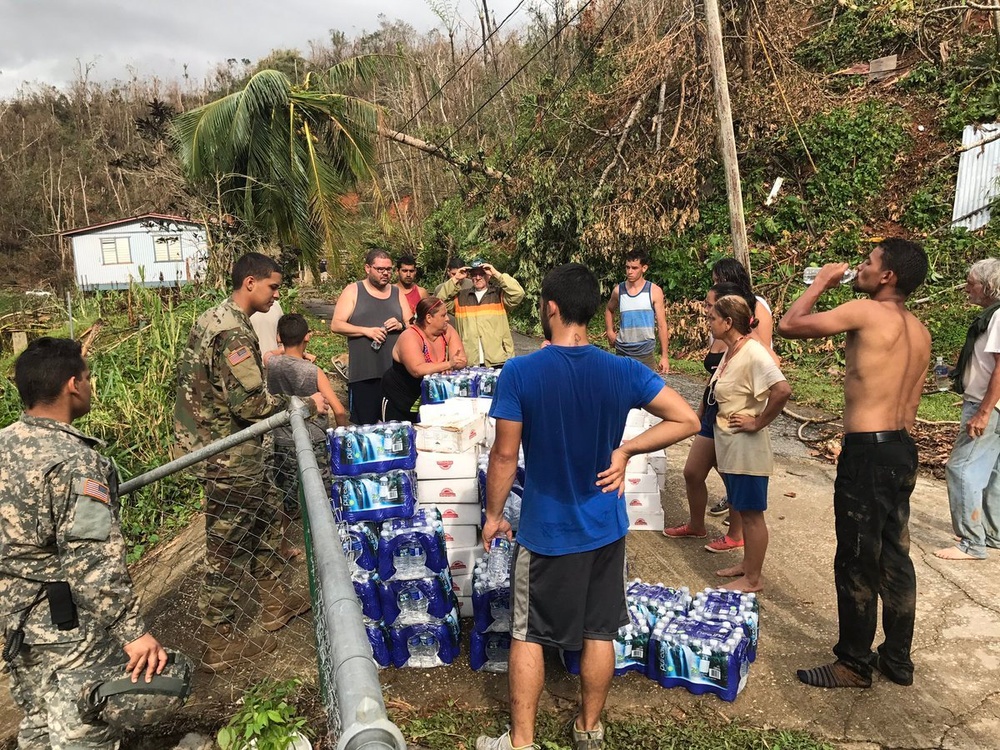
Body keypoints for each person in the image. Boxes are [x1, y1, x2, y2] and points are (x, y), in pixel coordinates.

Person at [477, 263, 700, 750]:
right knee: (600, 629)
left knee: (529, 634)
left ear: (550, 308)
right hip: (605, 525)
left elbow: (504, 455)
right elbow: (687, 419)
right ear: (595, 311)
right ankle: (588, 730)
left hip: (547, 529)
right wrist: (626, 450)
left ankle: (520, 743)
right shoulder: (620, 369)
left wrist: (493, 516)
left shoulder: (521, 372)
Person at [0, 338, 169, 749]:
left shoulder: (5, 443)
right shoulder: (75, 460)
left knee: (38, 721)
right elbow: (90, 558)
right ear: (73, 384)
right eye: (89, 378)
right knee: (82, 725)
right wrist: (132, 632)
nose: (91, 385)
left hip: (14, 615)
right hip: (66, 623)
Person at [778, 238, 930, 689]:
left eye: (869, 262)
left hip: (868, 452)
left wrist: (821, 281)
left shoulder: (865, 312)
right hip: (902, 449)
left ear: (888, 277)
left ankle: (853, 663)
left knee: (857, 559)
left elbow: (790, 325)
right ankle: (897, 660)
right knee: (896, 558)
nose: (860, 267)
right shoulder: (920, 330)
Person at [175, 252, 326, 672]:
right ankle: (218, 640)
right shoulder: (232, 333)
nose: (277, 296)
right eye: (273, 287)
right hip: (230, 455)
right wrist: (304, 404)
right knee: (225, 549)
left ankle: (275, 602)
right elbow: (251, 403)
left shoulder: (214, 318)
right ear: (250, 283)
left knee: (266, 522)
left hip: (237, 451)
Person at [701, 295, 790, 591]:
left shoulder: (753, 352)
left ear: (728, 323)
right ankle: (747, 566)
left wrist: (757, 421)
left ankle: (753, 579)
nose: (709, 322)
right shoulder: (731, 350)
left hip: (747, 448)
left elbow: (781, 390)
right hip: (731, 445)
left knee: (752, 515)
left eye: (713, 318)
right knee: (742, 506)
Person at [663, 281, 756, 542]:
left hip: (730, 418)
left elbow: (775, 380)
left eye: (709, 305)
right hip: (711, 412)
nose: (705, 310)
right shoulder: (719, 337)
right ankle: (696, 525)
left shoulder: (746, 342)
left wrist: (757, 418)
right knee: (692, 472)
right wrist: (701, 409)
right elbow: (715, 377)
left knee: (732, 476)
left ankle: (736, 534)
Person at [268, 313, 349, 561]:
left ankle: (282, 546)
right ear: (308, 337)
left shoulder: (272, 364)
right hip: (314, 440)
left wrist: (287, 349)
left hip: (283, 440)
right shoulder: (312, 371)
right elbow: (339, 409)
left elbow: (270, 354)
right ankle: (332, 550)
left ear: (279, 337)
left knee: (286, 498)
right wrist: (341, 436)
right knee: (323, 497)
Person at [703, 257, 775, 525]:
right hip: (718, 400)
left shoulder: (753, 314)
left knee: (751, 509)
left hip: (740, 404)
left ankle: (738, 525)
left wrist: (759, 420)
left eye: (718, 282)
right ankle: (735, 507)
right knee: (706, 467)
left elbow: (774, 374)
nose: (714, 288)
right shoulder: (722, 324)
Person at [936, 258, 1000, 560]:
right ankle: (991, 534)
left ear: (987, 287)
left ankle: (970, 542)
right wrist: (956, 371)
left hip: (988, 406)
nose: (966, 288)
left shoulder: (998, 316)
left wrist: (984, 411)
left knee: (961, 469)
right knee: (992, 474)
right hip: (990, 404)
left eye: (971, 282)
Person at [330, 248, 413, 424]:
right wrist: (366, 331)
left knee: (394, 426)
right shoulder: (353, 290)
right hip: (364, 374)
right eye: (380, 269)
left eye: (389, 269)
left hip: (394, 375)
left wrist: (400, 325)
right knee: (365, 427)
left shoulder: (397, 292)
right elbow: (336, 324)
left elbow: (411, 324)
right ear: (368, 268)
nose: (385, 273)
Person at [381, 297, 468, 422]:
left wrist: (453, 365)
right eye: (443, 315)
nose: (448, 319)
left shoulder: (447, 330)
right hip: (400, 400)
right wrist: (448, 364)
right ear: (428, 318)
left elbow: (461, 359)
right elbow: (417, 369)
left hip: (430, 399)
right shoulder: (410, 336)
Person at [438, 258, 524, 368]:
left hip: (499, 360)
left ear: (488, 275)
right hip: (469, 361)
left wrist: (496, 274)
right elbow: (439, 302)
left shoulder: (499, 295)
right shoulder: (461, 297)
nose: (478, 278)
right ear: (470, 276)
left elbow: (518, 293)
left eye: (482, 274)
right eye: (474, 274)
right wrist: (455, 279)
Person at [604, 249, 672, 374]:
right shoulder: (619, 290)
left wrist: (664, 356)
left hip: (645, 352)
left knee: (645, 391)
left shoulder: (654, 291)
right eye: (627, 267)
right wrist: (610, 331)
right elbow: (609, 309)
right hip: (623, 350)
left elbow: (662, 325)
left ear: (644, 268)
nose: (630, 272)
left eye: (634, 268)